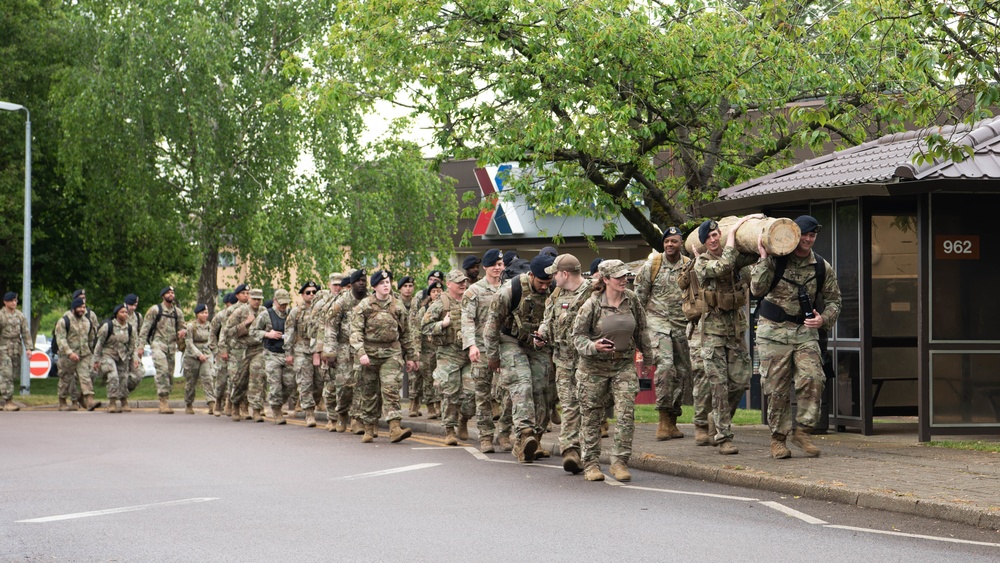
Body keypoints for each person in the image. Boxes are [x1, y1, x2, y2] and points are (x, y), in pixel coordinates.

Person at [751, 215, 842, 458]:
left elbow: (834, 300)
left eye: (812, 235)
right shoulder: (776, 260)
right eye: (804, 234)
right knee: (776, 387)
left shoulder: (821, 266)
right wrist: (763, 258)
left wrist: (823, 319)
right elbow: (756, 290)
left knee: (813, 377)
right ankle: (778, 439)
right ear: (794, 235)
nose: (809, 239)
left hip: (804, 332)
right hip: (773, 332)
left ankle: (803, 431)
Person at [572, 259, 655, 482]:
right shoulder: (592, 304)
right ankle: (590, 464)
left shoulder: (632, 299)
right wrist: (593, 346)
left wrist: (648, 357)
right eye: (617, 276)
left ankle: (619, 462)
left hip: (623, 364)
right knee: (591, 416)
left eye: (625, 275)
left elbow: (642, 330)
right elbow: (577, 337)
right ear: (605, 279)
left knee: (626, 413)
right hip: (594, 368)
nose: (623, 279)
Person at [694, 216, 759, 454]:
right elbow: (723, 267)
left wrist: (753, 230)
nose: (713, 239)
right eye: (708, 237)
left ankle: (716, 418)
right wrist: (731, 241)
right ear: (703, 242)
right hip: (712, 332)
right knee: (718, 385)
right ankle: (724, 437)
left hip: (735, 330)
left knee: (741, 381)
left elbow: (752, 257)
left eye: (715, 234)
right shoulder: (701, 262)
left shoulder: (735, 257)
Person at [485, 254, 554, 463]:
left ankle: (532, 441)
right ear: (531, 275)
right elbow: (492, 326)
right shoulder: (509, 291)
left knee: (541, 389)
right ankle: (524, 434)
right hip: (510, 340)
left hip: (537, 343)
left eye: (548, 283)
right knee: (522, 383)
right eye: (541, 283)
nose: (544, 287)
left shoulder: (554, 291)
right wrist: (493, 357)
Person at [634, 226, 693, 441]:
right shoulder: (653, 265)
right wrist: (639, 329)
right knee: (666, 367)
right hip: (657, 323)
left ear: (681, 243)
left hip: (682, 325)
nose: (670, 245)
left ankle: (672, 420)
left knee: (682, 372)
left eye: (674, 241)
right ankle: (662, 419)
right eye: (667, 241)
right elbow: (639, 298)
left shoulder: (689, 266)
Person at [536, 254, 592, 473]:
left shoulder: (593, 292)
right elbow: (547, 320)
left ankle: (589, 453)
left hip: (588, 361)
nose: (552, 278)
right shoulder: (556, 294)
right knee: (569, 406)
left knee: (587, 407)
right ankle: (570, 451)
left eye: (555, 273)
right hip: (563, 360)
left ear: (565, 274)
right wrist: (540, 334)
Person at [350, 269, 418, 443]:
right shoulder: (365, 305)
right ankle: (369, 427)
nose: (386, 285)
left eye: (388, 282)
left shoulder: (398, 305)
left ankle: (395, 428)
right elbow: (355, 332)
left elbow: (406, 333)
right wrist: (361, 353)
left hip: (391, 353)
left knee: (390, 389)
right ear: (374, 287)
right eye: (382, 283)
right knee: (369, 392)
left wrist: (411, 356)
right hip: (369, 354)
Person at [461, 248, 512, 452]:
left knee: (508, 392)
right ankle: (485, 437)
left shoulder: (509, 288)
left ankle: (505, 433)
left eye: (500, 265)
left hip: (504, 348)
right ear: (485, 268)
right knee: (482, 396)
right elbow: (467, 319)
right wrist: (471, 345)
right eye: (494, 265)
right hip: (481, 349)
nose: (498, 268)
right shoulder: (474, 291)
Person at [422, 270, 474, 445]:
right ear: (449, 284)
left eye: (464, 281)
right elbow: (424, 326)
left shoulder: (470, 300)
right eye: (458, 282)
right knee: (450, 393)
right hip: (448, 354)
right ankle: (450, 430)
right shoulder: (440, 303)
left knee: (471, 393)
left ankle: (463, 420)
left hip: (468, 354)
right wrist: (442, 324)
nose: (462, 284)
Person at [323, 269, 366, 432]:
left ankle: (357, 419)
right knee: (345, 384)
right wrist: (329, 352)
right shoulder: (342, 301)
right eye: (358, 281)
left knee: (361, 383)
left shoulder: (369, 300)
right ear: (351, 283)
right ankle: (341, 414)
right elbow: (331, 326)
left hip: (363, 348)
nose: (361, 283)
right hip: (343, 348)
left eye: (364, 280)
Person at [139, 286, 187, 414]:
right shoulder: (155, 310)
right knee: (163, 370)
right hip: (157, 344)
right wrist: (140, 347)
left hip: (171, 347)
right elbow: (145, 329)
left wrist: (183, 331)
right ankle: (163, 401)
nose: (171, 294)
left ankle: (166, 397)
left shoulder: (178, 312)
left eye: (172, 292)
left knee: (169, 375)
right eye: (168, 292)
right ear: (163, 296)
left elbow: (182, 327)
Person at [253, 289, 296, 425]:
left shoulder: (291, 314)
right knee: (275, 385)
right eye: (281, 304)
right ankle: (276, 409)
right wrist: (267, 334)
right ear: (275, 301)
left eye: (285, 304)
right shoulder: (266, 315)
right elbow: (253, 331)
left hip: (287, 353)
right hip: (272, 354)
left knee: (290, 383)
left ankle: (277, 401)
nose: (283, 307)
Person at [285, 282, 322, 426]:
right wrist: (288, 353)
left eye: (314, 292)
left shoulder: (321, 310)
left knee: (319, 383)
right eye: (308, 292)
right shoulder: (296, 312)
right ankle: (309, 413)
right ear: (302, 295)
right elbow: (289, 332)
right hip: (301, 349)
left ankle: (313, 402)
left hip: (317, 350)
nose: (312, 294)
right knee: (305, 383)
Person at [54, 298, 100, 411]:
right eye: (79, 307)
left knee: (86, 376)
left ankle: (89, 400)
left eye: (84, 308)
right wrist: (69, 353)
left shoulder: (87, 321)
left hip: (84, 354)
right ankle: (62, 401)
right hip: (67, 355)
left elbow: (91, 339)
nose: (82, 310)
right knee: (66, 379)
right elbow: (61, 339)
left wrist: (93, 353)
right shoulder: (64, 321)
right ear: (74, 307)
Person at [225, 287, 264, 422]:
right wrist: (245, 323)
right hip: (241, 350)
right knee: (240, 380)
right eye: (254, 299)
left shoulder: (264, 312)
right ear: (249, 299)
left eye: (259, 299)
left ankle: (256, 409)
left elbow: (269, 328)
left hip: (258, 349)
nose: (257, 302)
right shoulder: (239, 312)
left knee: (256, 379)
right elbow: (228, 331)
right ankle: (235, 404)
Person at [408, 276, 443, 418]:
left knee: (441, 378)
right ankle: (430, 407)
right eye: (434, 291)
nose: (437, 293)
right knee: (428, 378)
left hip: (441, 349)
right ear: (429, 294)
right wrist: (416, 350)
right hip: (427, 349)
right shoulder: (424, 310)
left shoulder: (445, 308)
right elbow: (416, 329)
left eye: (439, 290)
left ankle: (439, 405)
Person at [92, 304, 137, 413]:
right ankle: (112, 403)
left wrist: (132, 357)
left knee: (123, 378)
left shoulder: (130, 328)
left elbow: (132, 345)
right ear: (116, 313)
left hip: (122, 356)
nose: (125, 314)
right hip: (108, 355)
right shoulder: (108, 326)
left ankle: (124, 401)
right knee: (113, 376)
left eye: (126, 312)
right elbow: (99, 344)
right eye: (122, 312)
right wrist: (96, 360)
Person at [0, 292, 32, 411]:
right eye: (11, 300)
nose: (14, 303)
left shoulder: (19, 315)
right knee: (6, 374)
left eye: (15, 300)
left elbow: (25, 332)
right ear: (5, 302)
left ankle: (5, 398)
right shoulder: (1, 315)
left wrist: (28, 348)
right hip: (3, 348)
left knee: (12, 374)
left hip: (16, 348)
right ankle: (8, 401)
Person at [182, 304, 215, 415]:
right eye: (202, 313)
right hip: (192, 357)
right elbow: (189, 343)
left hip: (206, 356)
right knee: (191, 382)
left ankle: (211, 404)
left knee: (208, 378)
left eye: (206, 313)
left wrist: (209, 353)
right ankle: (189, 404)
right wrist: (198, 354)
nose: (205, 315)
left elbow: (212, 340)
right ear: (197, 314)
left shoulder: (210, 326)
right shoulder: (191, 326)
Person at [209, 292, 237, 417]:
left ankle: (229, 403)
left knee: (234, 380)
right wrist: (216, 352)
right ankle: (218, 401)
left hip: (236, 351)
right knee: (221, 380)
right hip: (223, 352)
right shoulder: (220, 316)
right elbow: (212, 335)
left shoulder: (240, 314)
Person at [123, 294, 144, 411]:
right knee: (122, 375)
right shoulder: (120, 314)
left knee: (139, 373)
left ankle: (123, 391)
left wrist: (141, 347)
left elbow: (141, 333)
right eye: (131, 305)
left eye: (135, 305)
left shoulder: (138, 316)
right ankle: (123, 399)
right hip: (121, 350)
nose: (133, 308)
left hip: (134, 350)